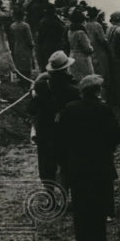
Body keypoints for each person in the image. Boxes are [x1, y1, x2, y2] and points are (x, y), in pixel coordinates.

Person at [56, 74, 120, 241]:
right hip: (100, 163)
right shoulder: (103, 109)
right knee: (99, 206)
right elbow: (116, 134)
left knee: (80, 204)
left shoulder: (69, 109)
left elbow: (61, 136)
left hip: (77, 164)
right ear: (97, 91)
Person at [28, 50, 81, 186]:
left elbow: (31, 109)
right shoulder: (72, 89)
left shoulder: (41, 86)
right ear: (65, 69)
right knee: (65, 163)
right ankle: (65, 193)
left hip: (45, 130)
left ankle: (50, 195)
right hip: (65, 131)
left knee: (46, 164)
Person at [7, 5, 35, 86]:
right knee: (26, 65)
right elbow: (29, 39)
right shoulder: (25, 26)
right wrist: (31, 45)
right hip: (25, 47)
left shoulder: (12, 26)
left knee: (19, 64)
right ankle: (27, 81)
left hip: (16, 46)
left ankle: (21, 80)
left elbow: (11, 38)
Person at [67, 11, 94, 81]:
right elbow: (87, 48)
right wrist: (92, 49)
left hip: (72, 55)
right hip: (82, 58)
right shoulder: (81, 33)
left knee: (76, 77)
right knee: (86, 78)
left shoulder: (70, 31)